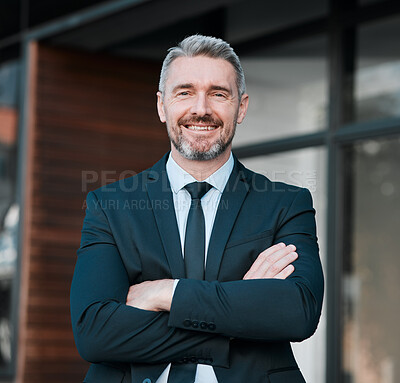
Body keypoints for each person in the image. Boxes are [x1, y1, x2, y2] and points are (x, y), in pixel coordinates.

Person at [70, 34, 324, 383]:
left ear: (242, 107)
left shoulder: (285, 204)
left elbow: (297, 312)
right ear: (162, 106)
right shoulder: (111, 205)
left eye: (218, 93)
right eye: (185, 92)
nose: (201, 108)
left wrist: (165, 293)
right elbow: (95, 334)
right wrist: (242, 308)